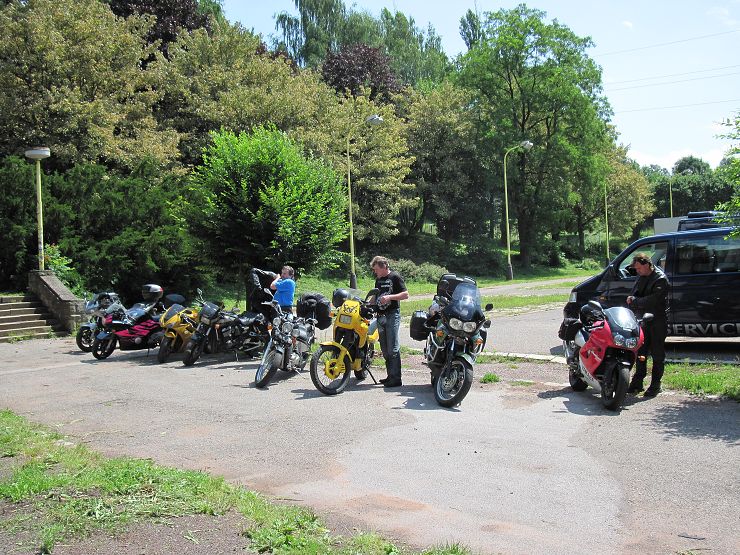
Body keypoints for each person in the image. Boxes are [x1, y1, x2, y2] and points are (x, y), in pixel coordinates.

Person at [626, 252, 670, 397]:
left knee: (657, 354)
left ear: (647, 264)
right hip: (643, 319)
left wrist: (635, 301)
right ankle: (637, 382)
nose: (637, 271)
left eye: (639, 268)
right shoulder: (641, 276)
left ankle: (656, 384)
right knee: (641, 352)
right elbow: (636, 293)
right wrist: (632, 298)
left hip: (657, 320)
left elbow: (653, 300)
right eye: (636, 269)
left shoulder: (660, 279)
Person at [370, 256, 409, 388]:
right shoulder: (378, 280)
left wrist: (389, 297)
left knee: (393, 347)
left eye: (376, 269)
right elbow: (375, 297)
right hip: (380, 316)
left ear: (384, 267)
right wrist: (367, 304)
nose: (375, 272)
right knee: (385, 348)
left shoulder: (395, 277)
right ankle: (390, 376)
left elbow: (405, 294)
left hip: (392, 315)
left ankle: (396, 379)